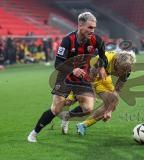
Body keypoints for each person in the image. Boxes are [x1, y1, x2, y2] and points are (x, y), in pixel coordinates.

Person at [27, 12, 108, 142]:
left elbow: (103, 57)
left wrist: (102, 66)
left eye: (94, 28)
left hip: (82, 77)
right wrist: (73, 69)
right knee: (56, 109)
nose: (92, 31)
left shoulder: (96, 40)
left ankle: (67, 117)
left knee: (88, 109)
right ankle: (33, 133)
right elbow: (58, 64)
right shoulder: (67, 40)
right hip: (65, 77)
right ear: (80, 25)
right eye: (90, 27)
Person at [59, 50, 136, 135]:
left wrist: (109, 111)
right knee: (69, 102)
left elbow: (117, 89)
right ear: (116, 63)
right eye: (121, 70)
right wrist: (91, 94)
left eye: (124, 71)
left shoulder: (127, 69)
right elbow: (91, 77)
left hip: (104, 77)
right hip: (87, 73)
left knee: (113, 102)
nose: (121, 73)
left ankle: (81, 124)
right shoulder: (104, 60)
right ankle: (53, 112)